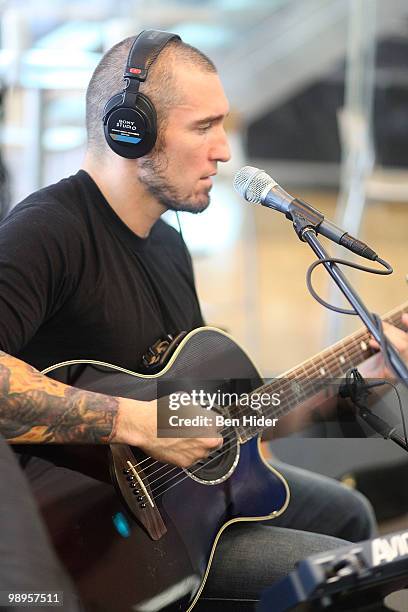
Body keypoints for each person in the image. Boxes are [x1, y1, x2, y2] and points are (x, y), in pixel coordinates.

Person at [0, 30, 407, 611]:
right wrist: (132, 422)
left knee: (349, 512)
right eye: (203, 127)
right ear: (129, 131)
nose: (223, 150)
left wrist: (361, 379)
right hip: (88, 536)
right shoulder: (47, 233)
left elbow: (218, 420)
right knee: (343, 573)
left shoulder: (167, 246)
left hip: (184, 506)